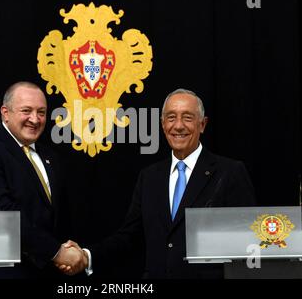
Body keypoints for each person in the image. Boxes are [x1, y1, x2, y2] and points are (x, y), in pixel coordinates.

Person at [58, 88, 256, 279]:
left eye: (187, 117)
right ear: (163, 124)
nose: (178, 126)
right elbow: (129, 237)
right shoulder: (150, 177)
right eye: (171, 117)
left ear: (202, 124)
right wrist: (86, 256)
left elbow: (247, 241)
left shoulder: (229, 172)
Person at [0, 81, 87, 278]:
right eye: (26, 110)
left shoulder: (51, 156)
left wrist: (70, 252)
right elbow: (0, 216)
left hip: (50, 272)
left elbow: (59, 218)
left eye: (42, 112)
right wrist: (57, 253)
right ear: (5, 112)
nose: (35, 119)